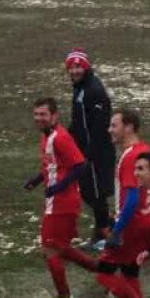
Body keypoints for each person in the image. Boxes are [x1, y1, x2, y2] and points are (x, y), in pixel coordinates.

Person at [49, 109, 150, 298]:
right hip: (140, 221)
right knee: (130, 275)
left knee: (104, 274)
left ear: (129, 127)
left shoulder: (132, 156)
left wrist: (118, 229)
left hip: (132, 225)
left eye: (114, 125)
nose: (109, 130)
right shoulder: (141, 150)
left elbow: (132, 197)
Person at [25, 96, 86, 298]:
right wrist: (37, 180)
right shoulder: (46, 137)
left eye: (43, 114)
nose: (38, 118)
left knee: (49, 248)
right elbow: (52, 167)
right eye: (36, 114)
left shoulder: (61, 137)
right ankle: (100, 267)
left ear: (54, 116)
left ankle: (64, 296)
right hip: (55, 200)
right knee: (60, 247)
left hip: (63, 201)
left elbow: (80, 165)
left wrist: (59, 187)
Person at [66, 50, 115, 243]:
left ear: (86, 67)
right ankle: (106, 223)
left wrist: (90, 153)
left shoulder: (93, 90)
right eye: (71, 67)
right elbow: (79, 121)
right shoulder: (80, 88)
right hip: (84, 150)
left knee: (95, 192)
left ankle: (104, 234)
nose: (75, 71)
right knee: (88, 191)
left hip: (96, 151)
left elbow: (99, 126)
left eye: (78, 67)